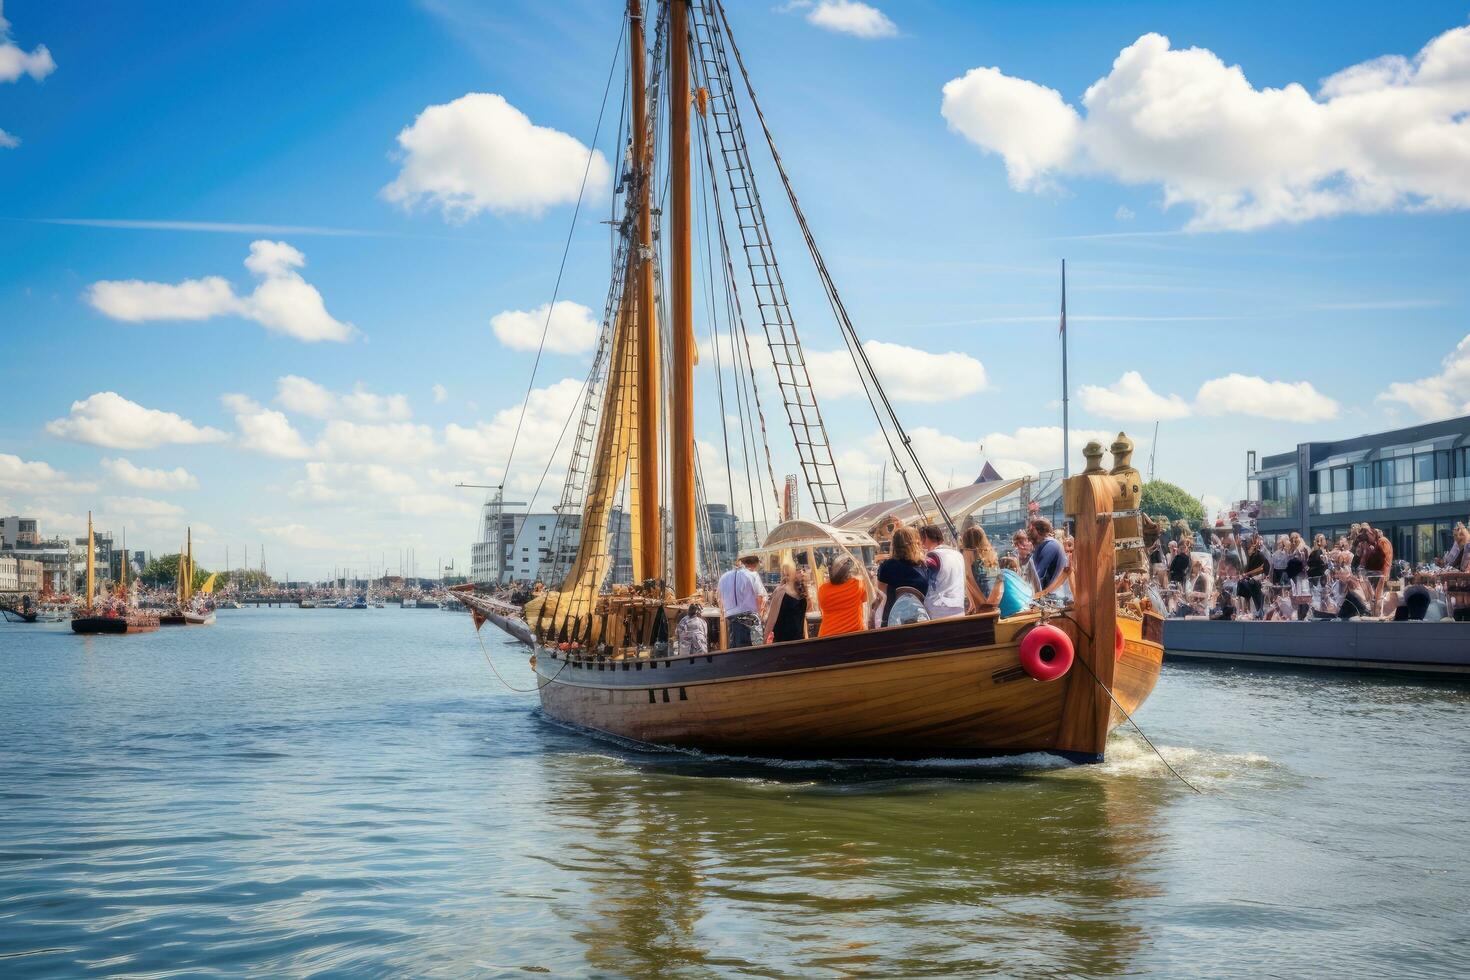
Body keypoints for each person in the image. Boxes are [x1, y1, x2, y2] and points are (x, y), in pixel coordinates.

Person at [876, 526, 928, 626]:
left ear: (894, 544)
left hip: (892, 619)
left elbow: (880, 596)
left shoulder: (887, 566)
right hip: (921, 618)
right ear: (916, 542)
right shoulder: (923, 566)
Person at [717, 553, 767, 648]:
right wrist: (760, 615)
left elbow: (720, 599)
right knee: (752, 651)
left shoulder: (723, 577)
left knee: (735, 648)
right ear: (753, 565)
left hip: (731, 619)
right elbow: (760, 597)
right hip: (750, 620)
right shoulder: (752, 575)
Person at [919, 524, 966, 619]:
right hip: (959, 608)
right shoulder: (958, 555)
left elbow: (921, 579)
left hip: (938, 611)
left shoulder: (933, 556)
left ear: (926, 538)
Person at [817, 555, 867, 637]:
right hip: (854, 635)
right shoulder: (857, 585)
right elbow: (867, 598)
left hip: (827, 636)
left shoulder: (822, 589)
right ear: (849, 573)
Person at [763, 563, 810, 643]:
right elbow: (772, 618)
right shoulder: (781, 591)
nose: (802, 573)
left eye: (803, 570)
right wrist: (765, 641)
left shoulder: (802, 591)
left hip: (798, 640)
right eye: (798, 571)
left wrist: (806, 638)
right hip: (783, 641)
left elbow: (802, 618)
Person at [960, 526, 1003, 613]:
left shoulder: (965, 557)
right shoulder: (990, 556)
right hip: (993, 606)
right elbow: (999, 581)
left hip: (979, 608)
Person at [1028, 518, 1068, 598]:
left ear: (1037, 530)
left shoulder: (1050, 545)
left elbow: (1037, 575)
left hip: (1053, 597)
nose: (1029, 533)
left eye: (1031, 530)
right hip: (1049, 595)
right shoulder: (1044, 545)